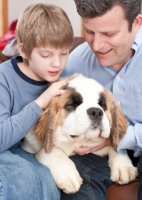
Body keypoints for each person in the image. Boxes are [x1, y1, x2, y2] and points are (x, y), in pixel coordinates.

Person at [61, 0, 142, 200]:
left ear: (137, 23)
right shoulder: (74, 63)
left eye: (109, 34)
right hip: (94, 149)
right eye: (89, 31)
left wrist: (117, 137)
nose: (97, 45)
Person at [0, 3, 73, 200]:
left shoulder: (63, 76)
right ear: (23, 50)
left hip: (30, 149)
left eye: (64, 53)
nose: (57, 63)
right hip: (6, 148)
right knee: (23, 177)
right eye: (46, 55)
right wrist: (41, 101)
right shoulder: (4, 78)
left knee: (48, 180)